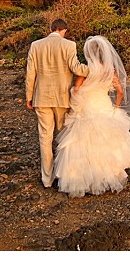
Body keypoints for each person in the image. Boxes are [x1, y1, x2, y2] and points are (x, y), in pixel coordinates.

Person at [51, 35, 130, 197]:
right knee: (106, 141)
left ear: (89, 53)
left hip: (88, 107)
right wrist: (116, 106)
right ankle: (108, 176)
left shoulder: (86, 70)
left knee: (82, 141)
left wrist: (76, 103)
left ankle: (83, 179)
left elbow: (77, 90)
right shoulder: (110, 71)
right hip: (104, 105)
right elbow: (120, 91)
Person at [25, 18, 90, 188]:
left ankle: (47, 179)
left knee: (45, 138)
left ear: (51, 28)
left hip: (42, 98)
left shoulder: (35, 45)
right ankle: (63, 176)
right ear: (63, 30)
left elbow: (30, 73)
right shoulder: (68, 45)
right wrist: (95, 70)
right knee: (62, 137)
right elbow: (76, 68)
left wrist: (29, 96)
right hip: (62, 98)